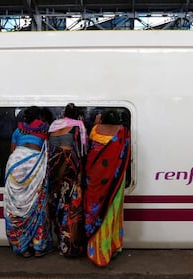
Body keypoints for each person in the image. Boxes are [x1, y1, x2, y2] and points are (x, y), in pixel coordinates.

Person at [3, 106, 54, 258]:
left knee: (16, 205)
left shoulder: (17, 131)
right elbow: (48, 150)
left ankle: (22, 248)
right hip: (35, 165)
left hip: (15, 165)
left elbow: (12, 152)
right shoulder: (44, 129)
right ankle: (39, 247)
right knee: (38, 206)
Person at [84, 109, 131, 267]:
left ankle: (98, 251)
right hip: (115, 180)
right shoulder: (122, 132)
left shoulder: (95, 130)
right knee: (112, 212)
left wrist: (97, 122)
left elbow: (91, 144)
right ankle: (112, 246)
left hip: (96, 177)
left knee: (97, 210)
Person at [48, 103, 87, 256]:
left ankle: (59, 240)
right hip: (69, 167)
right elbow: (81, 150)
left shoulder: (53, 125)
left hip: (53, 166)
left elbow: (50, 147)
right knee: (70, 205)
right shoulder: (78, 126)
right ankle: (69, 246)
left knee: (56, 203)